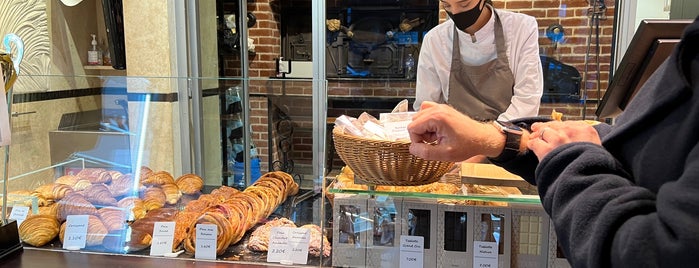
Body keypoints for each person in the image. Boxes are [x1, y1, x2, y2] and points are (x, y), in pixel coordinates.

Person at [407, 17, 699, 267]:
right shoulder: (436, 39)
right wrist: (490, 140)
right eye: (450, 5)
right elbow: (635, 148)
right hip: (468, 153)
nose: (458, 10)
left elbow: (654, 251)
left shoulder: (519, 27)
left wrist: (574, 157)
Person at [413, 0, 543, 122]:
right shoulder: (435, 40)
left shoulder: (521, 28)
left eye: (464, 4)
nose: (455, 12)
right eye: (447, 5)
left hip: (509, 137)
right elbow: (426, 108)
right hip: (453, 138)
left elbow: (527, 101)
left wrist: (488, 136)